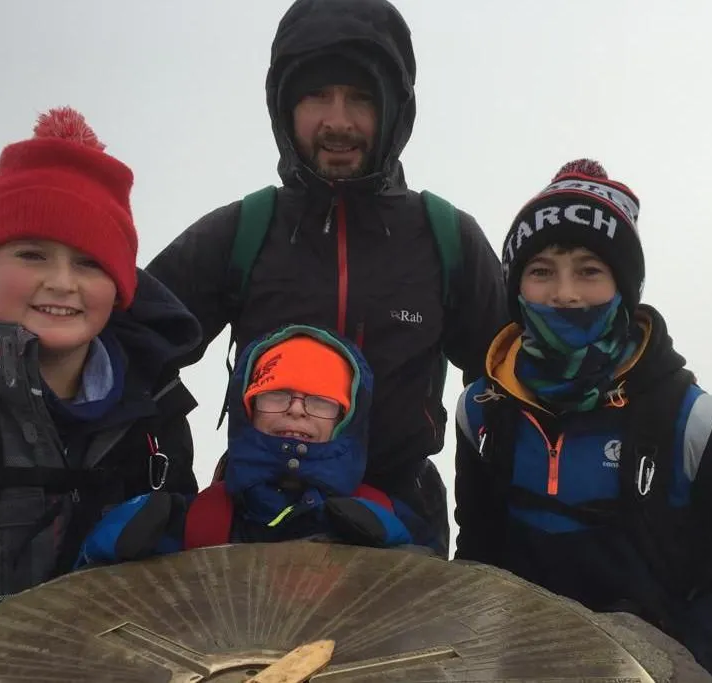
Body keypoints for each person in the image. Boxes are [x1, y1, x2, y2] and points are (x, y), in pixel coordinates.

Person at [146, 0, 508, 556]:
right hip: (254, 523)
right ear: (284, 106)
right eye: (316, 95)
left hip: (402, 528)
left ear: (394, 110)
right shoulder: (244, 229)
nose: (338, 122)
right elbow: (130, 353)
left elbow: (513, 388)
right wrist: (168, 492)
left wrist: (492, 533)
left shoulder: (446, 238)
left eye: (361, 97)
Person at [453, 159, 712, 681]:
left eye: (589, 270)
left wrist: (684, 657)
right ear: (516, 287)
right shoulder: (483, 411)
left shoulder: (697, 426)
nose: (564, 293)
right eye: (541, 271)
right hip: (513, 664)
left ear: (624, 285)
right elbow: (479, 544)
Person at [0, 107, 202, 654]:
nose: (62, 282)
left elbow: (185, 582)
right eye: (32, 254)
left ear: (121, 287)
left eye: (90, 263)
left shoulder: (155, 414)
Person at [78, 324, 434, 565]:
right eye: (277, 394)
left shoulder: (386, 517)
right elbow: (91, 604)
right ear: (247, 409)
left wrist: (400, 547)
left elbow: (436, 609)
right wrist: (107, 545)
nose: (296, 410)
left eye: (321, 400)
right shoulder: (193, 522)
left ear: (346, 419)